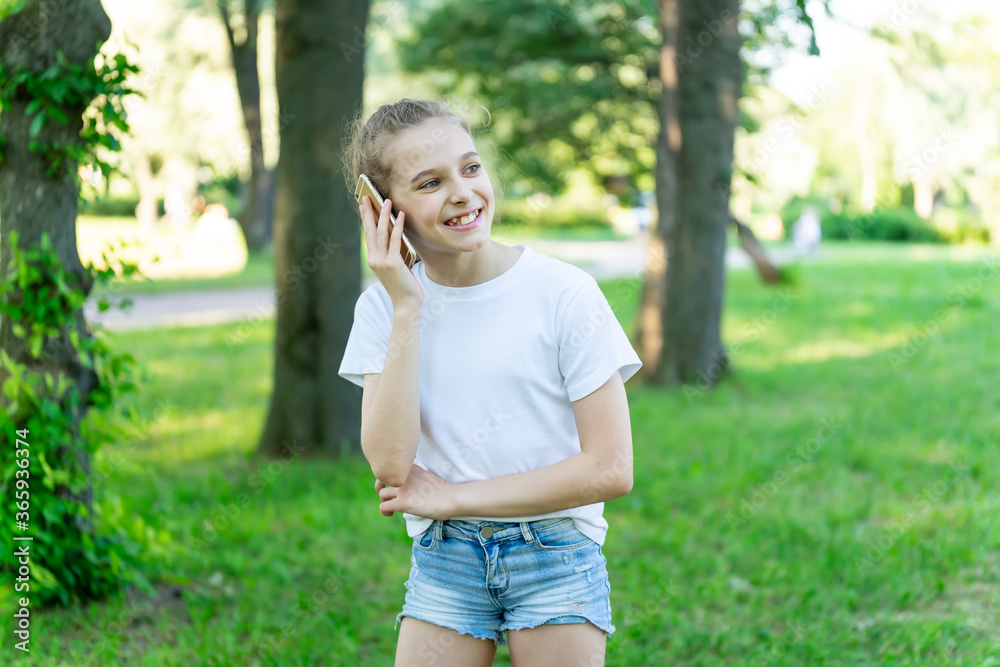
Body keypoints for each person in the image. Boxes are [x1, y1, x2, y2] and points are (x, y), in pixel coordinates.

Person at [337, 99, 642, 667]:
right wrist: (408, 308)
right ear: (383, 210)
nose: (462, 192)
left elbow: (611, 469)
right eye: (430, 182)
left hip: (553, 551)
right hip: (446, 557)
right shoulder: (383, 310)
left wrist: (455, 498)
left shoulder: (564, 294)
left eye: (470, 168)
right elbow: (390, 466)